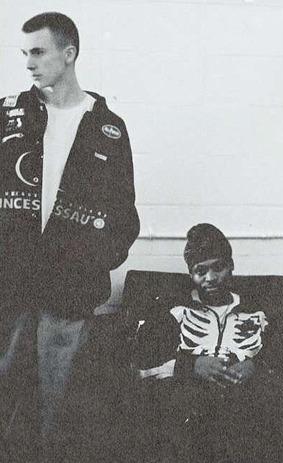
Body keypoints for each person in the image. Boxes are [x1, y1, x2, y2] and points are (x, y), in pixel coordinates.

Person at [0, 12, 139, 461]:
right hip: (9, 292)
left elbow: (124, 216)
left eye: (37, 52)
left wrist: (88, 261)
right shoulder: (7, 117)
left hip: (68, 297)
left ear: (69, 53)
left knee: (57, 417)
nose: (28, 64)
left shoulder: (109, 128)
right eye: (24, 54)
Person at [135, 223, 281, 462]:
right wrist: (191, 366)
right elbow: (142, 365)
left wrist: (257, 366)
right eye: (200, 271)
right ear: (191, 274)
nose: (210, 278)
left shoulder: (259, 311)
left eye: (218, 268)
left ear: (231, 266)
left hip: (245, 407)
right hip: (188, 408)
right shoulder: (174, 309)